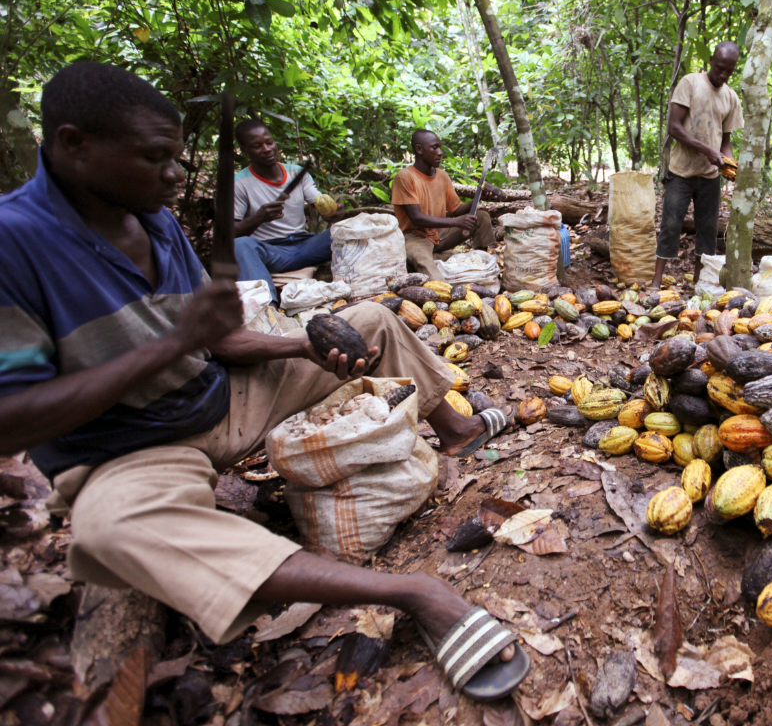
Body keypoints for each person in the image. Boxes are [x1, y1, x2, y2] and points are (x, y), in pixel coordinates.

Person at [0, 63, 526, 700]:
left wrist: (303, 346)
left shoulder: (153, 216)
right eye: (155, 158)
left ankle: (458, 427)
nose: (173, 175)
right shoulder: (14, 244)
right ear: (73, 144)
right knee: (110, 531)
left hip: (221, 394)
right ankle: (414, 592)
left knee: (369, 318)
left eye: (174, 157)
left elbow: (219, 341)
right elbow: (15, 420)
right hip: (133, 446)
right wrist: (177, 340)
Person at [651, 41, 744, 291]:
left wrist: (729, 165)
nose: (723, 74)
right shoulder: (691, 83)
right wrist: (708, 150)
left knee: (707, 231)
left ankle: (698, 283)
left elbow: (725, 142)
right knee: (670, 225)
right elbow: (674, 127)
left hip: (709, 176)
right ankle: (656, 281)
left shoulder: (731, 98)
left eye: (729, 71)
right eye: (720, 68)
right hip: (681, 171)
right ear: (711, 60)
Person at [233, 120, 343, 302]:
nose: (267, 149)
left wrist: (333, 214)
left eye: (269, 142)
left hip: (306, 246)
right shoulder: (239, 183)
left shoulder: (296, 173)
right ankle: (266, 309)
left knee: (349, 229)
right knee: (240, 245)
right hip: (272, 252)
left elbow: (320, 203)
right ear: (244, 150)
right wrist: (259, 218)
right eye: (257, 146)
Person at [392, 129, 498, 280]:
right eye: (434, 148)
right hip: (414, 237)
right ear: (419, 149)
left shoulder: (442, 175)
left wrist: (477, 197)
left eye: (440, 147)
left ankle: (481, 264)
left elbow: (456, 210)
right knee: (428, 268)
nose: (440, 152)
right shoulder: (405, 177)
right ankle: (435, 271)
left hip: (438, 233)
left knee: (480, 216)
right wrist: (456, 222)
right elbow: (416, 218)